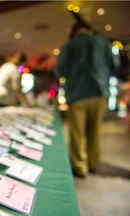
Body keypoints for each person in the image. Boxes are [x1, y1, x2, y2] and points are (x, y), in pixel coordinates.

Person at [55, 22, 120, 177]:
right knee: (95, 130)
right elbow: (115, 64)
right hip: (100, 92)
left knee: (77, 133)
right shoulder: (102, 41)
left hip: (77, 94)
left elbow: (60, 71)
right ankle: (93, 163)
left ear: (73, 32)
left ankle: (80, 167)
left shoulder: (69, 46)